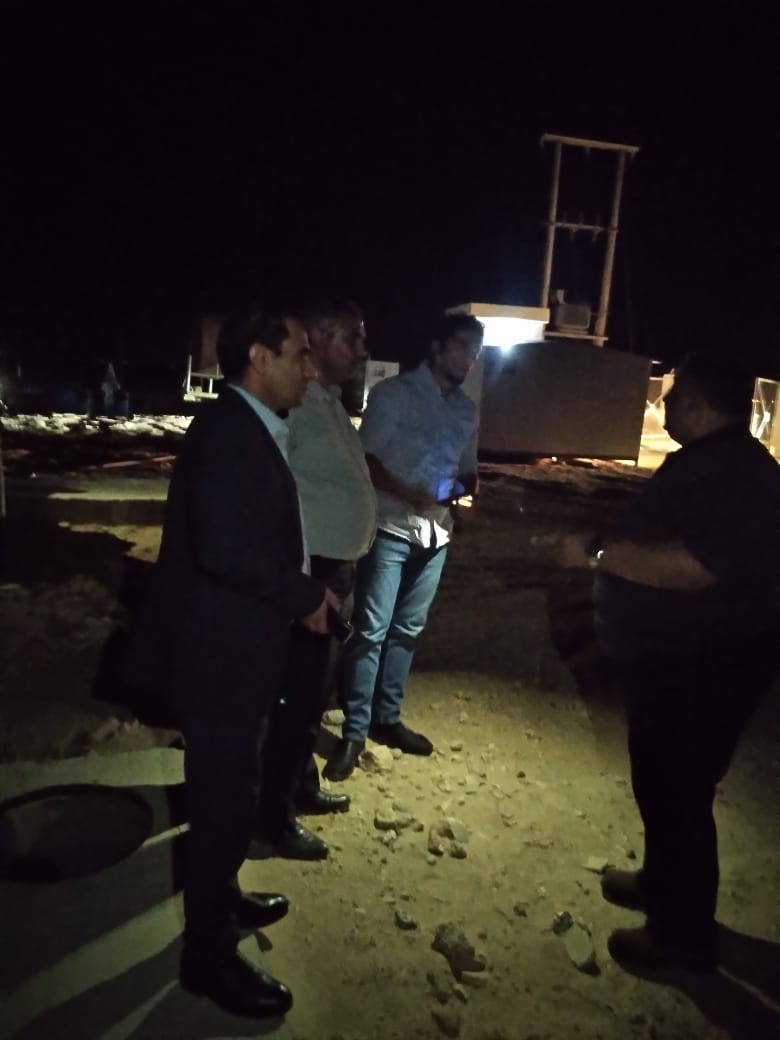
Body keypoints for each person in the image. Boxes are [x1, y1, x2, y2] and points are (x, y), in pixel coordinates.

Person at [126, 304, 337, 1018]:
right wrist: (301, 593)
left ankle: (221, 899)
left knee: (233, 794)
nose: (311, 369)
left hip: (239, 650)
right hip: (217, 659)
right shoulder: (225, 432)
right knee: (221, 806)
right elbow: (223, 549)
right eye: (299, 354)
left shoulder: (250, 425)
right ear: (259, 357)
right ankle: (208, 959)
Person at [561, 351, 780, 972]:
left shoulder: (737, 475)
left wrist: (598, 553)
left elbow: (695, 567)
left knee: (680, 791)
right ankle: (662, 886)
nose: (663, 404)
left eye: (674, 396)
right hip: (680, 659)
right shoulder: (715, 462)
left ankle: (682, 939)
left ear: (700, 404)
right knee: (662, 783)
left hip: (704, 664)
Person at [325, 312, 483, 781]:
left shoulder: (466, 410)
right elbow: (366, 460)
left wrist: (465, 496)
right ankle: (355, 731)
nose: (469, 358)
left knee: (408, 630)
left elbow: (468, 470)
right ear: (437, 347)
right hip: (391, 526)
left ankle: (387, 718)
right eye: (462, 347)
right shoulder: (394, 395)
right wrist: (407, 492)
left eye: (475, 351)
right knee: (371, 630)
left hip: (437, 533)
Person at [257, 299, 376, 858]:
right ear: (321, 336)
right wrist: (301, 580)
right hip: (312, 574)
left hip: (335, 571)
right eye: (353, 338)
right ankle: (272, 817)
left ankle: (298, 785)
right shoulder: (295, 409)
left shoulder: (326, 401)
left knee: (312, 695)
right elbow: (275, 498)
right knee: (296, 697)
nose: (363, 351)